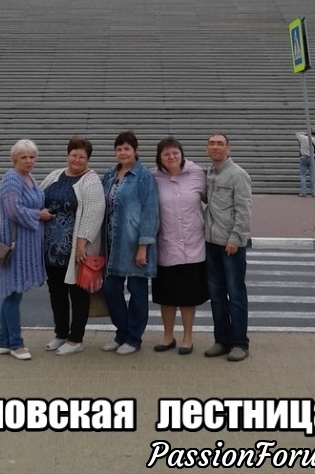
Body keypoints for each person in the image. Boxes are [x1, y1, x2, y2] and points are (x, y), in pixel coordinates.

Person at [39, 137, 106, 356]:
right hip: (51, 248)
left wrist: (82, 243)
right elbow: (39, 197)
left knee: (78, 294)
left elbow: (94, 213)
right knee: (56, 292)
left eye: (82, 156)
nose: (77, 159)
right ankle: (60, 333)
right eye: (73, 154)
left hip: (75, 249)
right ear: (67, 155)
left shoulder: (90, 180)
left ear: (88, 159)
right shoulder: (55, 175)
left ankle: (76, 338)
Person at [101, 131, 159, 355]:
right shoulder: (109, 175)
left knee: (137, 290)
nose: (122, 153)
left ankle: (134, 337)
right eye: (119, 149)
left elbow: (150, 212)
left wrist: (144, 245)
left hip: (134, 243)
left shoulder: (144, 176)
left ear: (136, 151)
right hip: (111, 243)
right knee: (111, 289)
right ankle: (121, 332)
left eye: (127, 148)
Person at [151, 137, 208, 355]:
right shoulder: (153, 177)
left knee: (188, 295)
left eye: (175, 152)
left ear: (182, 154)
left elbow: (211, 199)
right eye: (166, 154)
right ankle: (167, 336)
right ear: (160, 158)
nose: (171, 157)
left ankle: (187, 337)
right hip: (166, 244)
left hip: (193, 244)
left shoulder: (197, 174)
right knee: (166, 295)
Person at [0, 139, 46, 360]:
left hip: (26, 245)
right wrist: (39, 215)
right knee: (13, 294)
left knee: (13, 295)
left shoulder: (30, 177)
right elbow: (12, 209)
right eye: (24, 157)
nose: (28, 161)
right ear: (14, 159)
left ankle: (3, 342)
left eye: (32, 157)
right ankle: (16, 344)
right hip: (14, 245)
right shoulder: (11, 178)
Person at [203, 133, 252, 362]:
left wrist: (235, 238)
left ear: (228, 148)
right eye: (212, 144)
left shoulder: (238, 175)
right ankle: (222, 340)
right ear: (207, 148)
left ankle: (240, 343)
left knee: (236, 294)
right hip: (211, 243)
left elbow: (243, 210)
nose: (215, 147)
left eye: (220, 144)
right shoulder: (210, 173)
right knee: (216, 295)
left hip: (230, 245)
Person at [295, 130, 315, 197]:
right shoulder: (313, 139)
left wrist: (305, 132)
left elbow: (297, 134)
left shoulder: (302, 138)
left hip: (303, 157)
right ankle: (313, 193)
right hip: (311, 158)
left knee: (303, 176)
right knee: (312, 176)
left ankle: (303, 192)